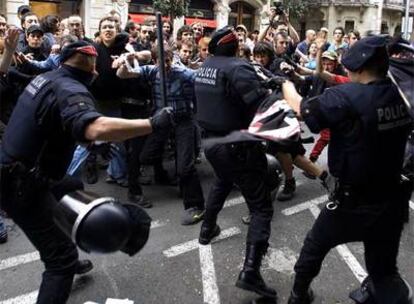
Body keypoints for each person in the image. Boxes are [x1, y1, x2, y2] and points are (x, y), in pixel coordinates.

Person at [0, 40, 173, 304]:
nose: (95, 73)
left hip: (23, 170)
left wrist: (95, 143)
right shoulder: (70, 87)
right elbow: (94, 127)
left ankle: (69, 245)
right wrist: (151, 123)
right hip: (21, 183)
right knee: (60, 263)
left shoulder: (47, 78)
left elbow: (58, 124)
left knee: (70, 188)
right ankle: (67, 258)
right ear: (91, 67)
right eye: (94, 67)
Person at [281, 36, 412, 303]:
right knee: (383, 269)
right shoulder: (403, 94)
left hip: (352, 203)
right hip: (389, 202)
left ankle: (299, 294)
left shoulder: (346, 96)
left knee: (313, 248)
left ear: (360, 68)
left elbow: (302, 109)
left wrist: (284, 84)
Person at [195, 26, 276, 299]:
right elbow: (260, 105)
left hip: (212, 144)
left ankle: (207, 228)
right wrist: (272, 89)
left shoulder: (206, 66)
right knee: (261, 207)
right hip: (237, 145)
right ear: (234, 47)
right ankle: (251, 272)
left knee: (223, 179)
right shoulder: (238, 67)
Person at [116, 45, 205, 225]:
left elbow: (201, 81)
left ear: (172, 58)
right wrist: (125, 61)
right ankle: (164, 177)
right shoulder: (151, 71)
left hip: (183, 120)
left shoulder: (183, 74)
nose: (165, 65)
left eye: (168, 60)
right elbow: (123, 74)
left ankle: (195, 205)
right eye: (161, 61)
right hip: (161, 119)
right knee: (145, 156)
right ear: (155, 61)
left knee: (185, 167)